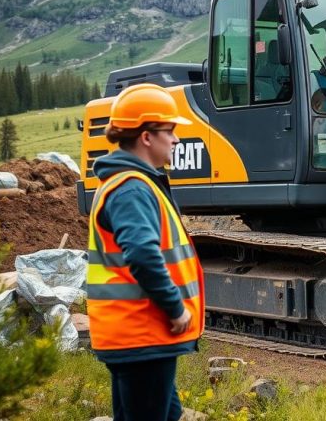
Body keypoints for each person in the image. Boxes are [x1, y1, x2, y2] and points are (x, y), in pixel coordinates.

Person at [87, 83, 204, 421]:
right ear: (147, 136)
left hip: (139, 337)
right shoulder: (132, 189)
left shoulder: (131, 184)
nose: (177, 139)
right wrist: (175, 309)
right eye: (170, 130)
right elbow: (141, 253)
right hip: (142, 335)